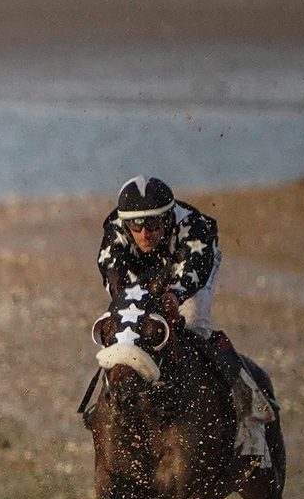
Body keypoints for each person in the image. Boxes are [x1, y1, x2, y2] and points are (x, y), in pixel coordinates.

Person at [96, 175, 273, 457]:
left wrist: (174, 296)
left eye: (153, 225)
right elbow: (114, 274)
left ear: (168, 218)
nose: (144, 234)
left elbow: (194, 271)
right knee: (127, 330)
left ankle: (249, 401)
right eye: (136, 227)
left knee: (194, 327)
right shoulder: (115, 227)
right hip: (142, 278)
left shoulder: (195, 226)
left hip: (190, 272)